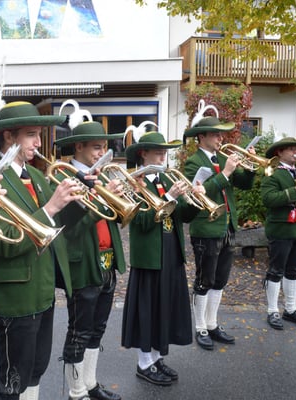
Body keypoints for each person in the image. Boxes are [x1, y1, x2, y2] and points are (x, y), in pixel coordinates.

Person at [0, 100, 82, 400]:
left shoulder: (34, 175)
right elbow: (3, 242)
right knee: (13, 379)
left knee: (36, 369)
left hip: (42, 290)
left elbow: (57, 227)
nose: (38, 143)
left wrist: (79, 201)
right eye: (31, 135)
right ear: (9, 136)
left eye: (39, 135)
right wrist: (50, 207)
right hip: (15, 295)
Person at [121, 127, 203, 385]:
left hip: (170, 252)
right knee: (147, 311)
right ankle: (144, 362)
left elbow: (184, 216)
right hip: (149, 256)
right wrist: (170, 197)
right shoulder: (134, 183)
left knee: (164, 308)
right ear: (143, 154)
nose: (162, 157)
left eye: (164, 153)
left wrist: (195, 199)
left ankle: (156, 357)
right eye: (157, 153)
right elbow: (141, 222)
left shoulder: (165, 179)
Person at [52, 113, 126, 400]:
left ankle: (90, 384)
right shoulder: (64, 178)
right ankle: (76, 391)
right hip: (82, 263)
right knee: (79, 330)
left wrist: (119, 199)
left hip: (107, 260)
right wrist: (100, 200)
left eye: (103, 147)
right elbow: (69, 231)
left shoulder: (102, 176)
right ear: (79, 146)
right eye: (96, 147)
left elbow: (117, 218)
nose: (101, 152)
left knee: (98, 328)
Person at [183, 111, 256, 350]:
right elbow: (197, 195)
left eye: (220, 134)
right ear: (202, 137)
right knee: (204, 280)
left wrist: (251, 167)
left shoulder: (222, 159)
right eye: (215, 134)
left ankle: (212, 324)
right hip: (206, 226)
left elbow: (244, 184)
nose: (220, 138)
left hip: (227, 225)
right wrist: (225, 173)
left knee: (220, 280)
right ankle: (200, 327)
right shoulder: (193, 162)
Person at [260, 137, 296, 329]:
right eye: (292, 149)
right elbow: (268, 199)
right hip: (281, 229)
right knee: (276, 271)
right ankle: (272, 311)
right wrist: (295, 191)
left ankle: (290, 309)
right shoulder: (273, 173)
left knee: (294, 270)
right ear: (280, 152)